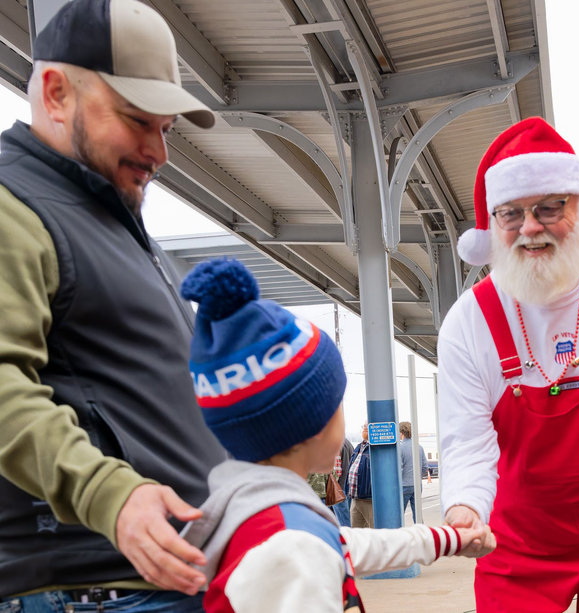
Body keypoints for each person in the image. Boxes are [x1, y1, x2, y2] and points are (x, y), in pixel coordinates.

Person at [0, 0, 228, 609]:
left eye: (167, 129)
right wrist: (112, 495)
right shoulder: (11, 207)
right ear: (55, 93)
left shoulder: (114, 223)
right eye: (136, 119)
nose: (159, 151)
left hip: (164, 581)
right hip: (95, 589)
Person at [179, 258, 496, 612]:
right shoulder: (292, 549)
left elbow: (347, 544)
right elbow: (319, 546)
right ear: (311, 427)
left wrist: (447, 539)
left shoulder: (251, 511)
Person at [438, 116, 579, 612]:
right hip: (520, 545)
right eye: (511, 214)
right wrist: (464, 508)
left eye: (550, 207)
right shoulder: (469, 322)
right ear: (493, 223)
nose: (531, 227)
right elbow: (468, 441)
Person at [398, 421, 429, 523]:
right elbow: (425, 467)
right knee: (418, 514)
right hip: (417, 484)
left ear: (401, 433)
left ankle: (398, 535)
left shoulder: (400, 448)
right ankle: (422, 535)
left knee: (399, 514)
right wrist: (417, 477)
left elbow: (400, 468)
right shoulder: (419, 447)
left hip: (404, 485)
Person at [346, 423, 374, 528]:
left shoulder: (375, 448)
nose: (364, 428)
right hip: (355, 497)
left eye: (368, 425)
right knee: (356, 530)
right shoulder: (359, 446)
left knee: (375, 530)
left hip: (369, 498)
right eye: (364, 426)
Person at [332, 437, 355, 526]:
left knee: (343, 522)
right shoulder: (348, 443)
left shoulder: (336, 444)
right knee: (348, 517)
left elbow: (336, 471)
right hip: (348, 485)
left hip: (339, 488)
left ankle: (346, 539)